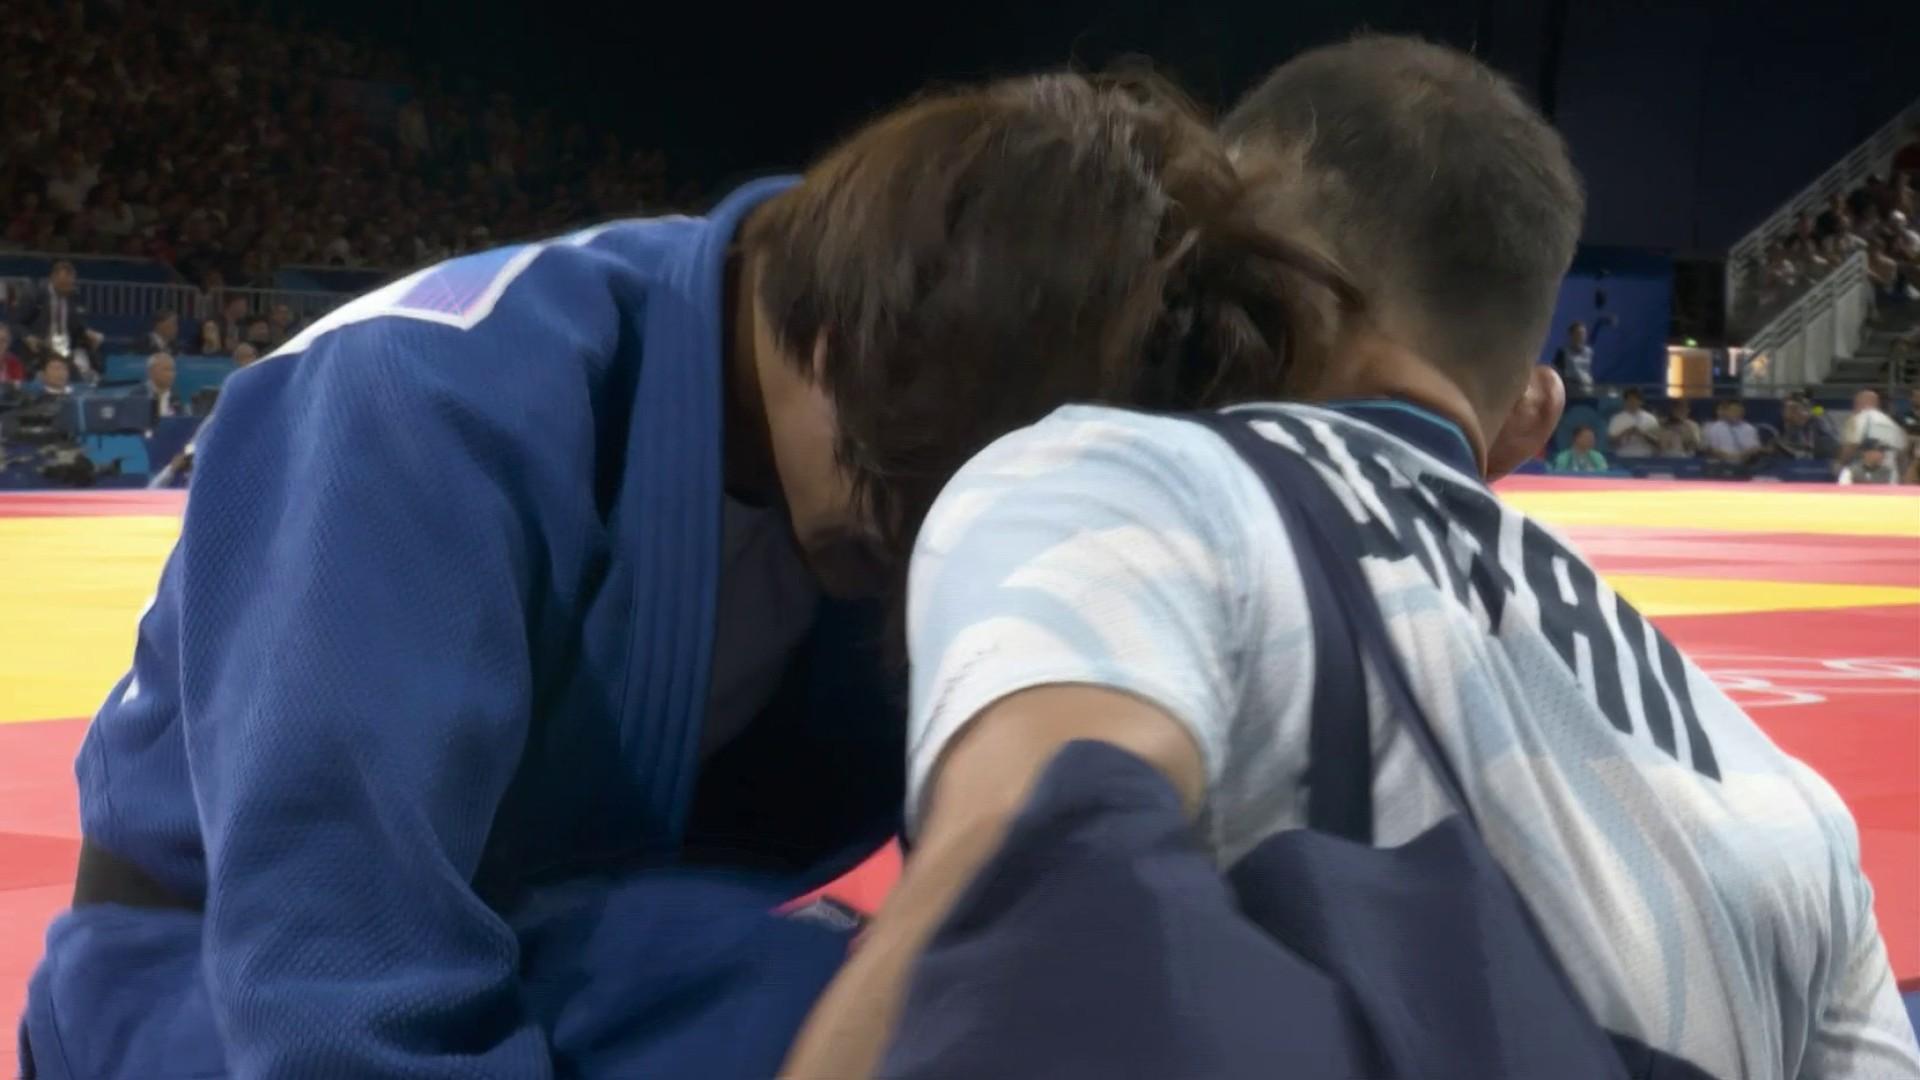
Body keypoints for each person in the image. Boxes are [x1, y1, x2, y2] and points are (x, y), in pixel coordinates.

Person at [23, 72, 1352, 1078]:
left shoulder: (891, 436)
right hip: (206, 980)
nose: (914, 567)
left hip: (585, 938)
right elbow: (335, 984)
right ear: (845, 342)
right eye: (923, 512)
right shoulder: (425, 404)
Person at [785, 37, 1920, 1080]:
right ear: (1531, 419)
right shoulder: (1796, 811)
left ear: (1233, 263)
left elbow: (1018, 916)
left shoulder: (1126, 484)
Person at [11, 259, 104, 381]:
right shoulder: (34, 295)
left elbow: (78, 325)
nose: (67, 289)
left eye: (70, 284)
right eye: (63, 285)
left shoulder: (74, 296)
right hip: (42, 347)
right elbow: (16, 323)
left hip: (68, 348)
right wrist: (28, 337)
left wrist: (88, 332)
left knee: (87, 373)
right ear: (52, 279)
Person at [1841, 389, 1907, 464]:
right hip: (1891, 471)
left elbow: (1851, 445)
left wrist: (1840, 463)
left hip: (1865, 470)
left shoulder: (1858, 419)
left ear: (1859, 403)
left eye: (1855, 404)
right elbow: (1903, 453)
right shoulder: (1893, 424)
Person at [1703, 398, 1764, 476]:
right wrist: (1728, 457)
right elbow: (1711, 449)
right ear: (1726, 412)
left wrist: (1742, 456)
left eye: (1739, 410)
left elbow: (1754, 448)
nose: (1736, 413)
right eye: (1733, 410)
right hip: (1720, 466)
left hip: (1744, 466)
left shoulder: (1749, 428)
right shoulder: (1715, 427)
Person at [1773, 394, 1839, 462]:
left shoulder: (1818, 419)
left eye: (1794, 409)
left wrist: (1807, 412)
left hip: (1825, 462)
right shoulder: (1790, 426)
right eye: (1787, 409)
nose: (1791, 414)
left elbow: (1820, 411)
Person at [1605, 387, 1660, 458]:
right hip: (1623, 457)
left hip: (1646, 458)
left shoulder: (1651, 419)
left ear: (1641, 401)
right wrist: (1625, 433)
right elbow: (1611, 443)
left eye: (1636, 400)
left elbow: (1658, 444)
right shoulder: (1616, 419)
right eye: (1630, 400)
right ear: (1625, 402)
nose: (1633, 403)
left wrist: (1642, 435)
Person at [1550, 319, 1595, 396]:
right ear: (1571, 335)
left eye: (1583, 333)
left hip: (1587, 389)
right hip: (1571, 391)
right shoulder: (1563, 352)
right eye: (1578, 333)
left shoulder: (1589, 352)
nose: (1581, 336)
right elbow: (1555, 371)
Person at [145, 352, 181, 418]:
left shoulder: (175, 397)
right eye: (166, 369)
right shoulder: (139, 395)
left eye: (172, 370)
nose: (171, 374)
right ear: (152, 372)